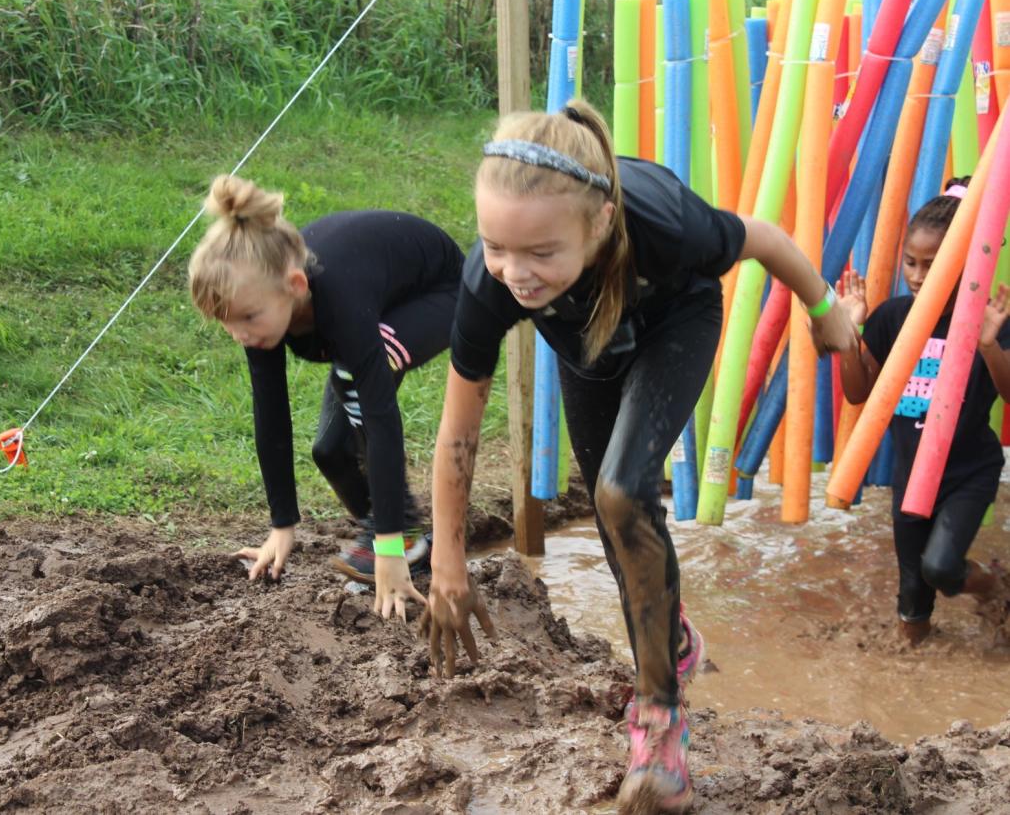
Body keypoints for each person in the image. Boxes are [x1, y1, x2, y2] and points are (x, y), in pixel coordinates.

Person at [419, 100, 857, 813]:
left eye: (538, 253)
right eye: (495, 246)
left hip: (675, 322)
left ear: (595, 225)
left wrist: (823, 308)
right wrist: (447, 560)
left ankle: (659, 726)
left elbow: (767, 238)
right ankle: (673, 636)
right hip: (589, 350)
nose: (514, 273)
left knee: (624, 492)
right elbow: (459, 431)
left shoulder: (665, 226)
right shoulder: (488, 281)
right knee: (612, 523)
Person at [188, 175, 464, 618]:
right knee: (331, 452)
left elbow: (380, 416)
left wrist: (388, 546)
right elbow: (271, 412)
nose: (240, 333)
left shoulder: (338, 299)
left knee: (357, 385)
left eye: (248, 318)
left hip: (442, 292)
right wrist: (282, 525)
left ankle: (397, 539)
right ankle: (399, 535)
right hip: (377, 297)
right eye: (228, 322)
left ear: (296, 286)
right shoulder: (260, 309)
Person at [837, 178, 1010, 647]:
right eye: (910, 262)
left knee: (940, 569)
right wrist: (850, 334)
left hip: (968, 471)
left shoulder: (986, 320)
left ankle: (995, 587)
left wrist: (990, 344)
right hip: (910, 474)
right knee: (911, 603)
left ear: (963, 260)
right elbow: (858, 393)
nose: (915, 274)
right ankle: (910, 684)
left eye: (931, 265)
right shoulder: (893, 317)